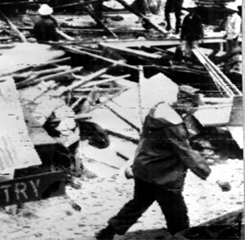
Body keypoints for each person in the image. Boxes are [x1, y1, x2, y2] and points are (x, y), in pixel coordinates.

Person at [95, 85, 231, 240]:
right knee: (177, 214)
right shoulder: (173, 126)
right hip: (164, 177)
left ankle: (107, 232)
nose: (195, 110)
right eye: (194, 106)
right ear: (184, 102)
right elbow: (187, 154)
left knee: (137, 204)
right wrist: (215, 179)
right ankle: (181, 236)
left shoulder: (157, 111)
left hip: (143, 169)